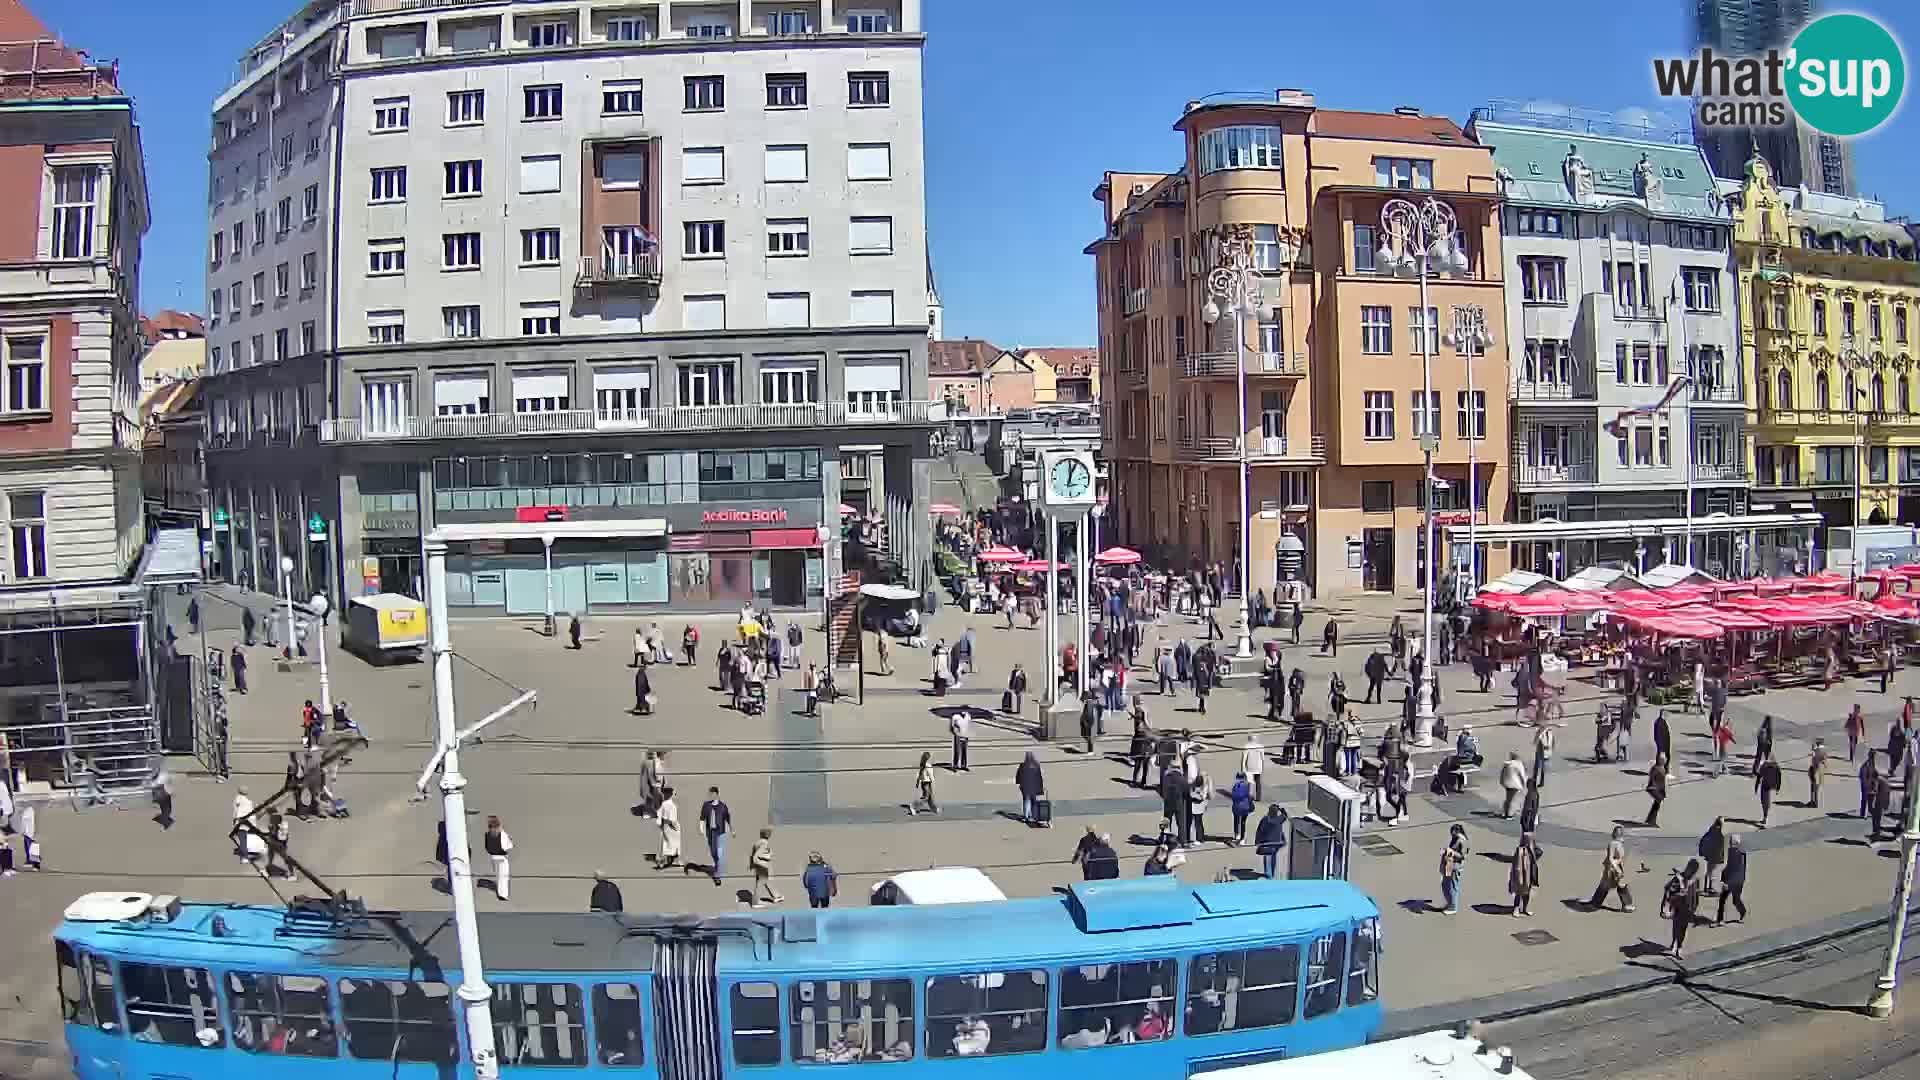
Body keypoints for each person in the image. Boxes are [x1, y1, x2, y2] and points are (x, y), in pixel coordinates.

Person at [1590, 825, 1636, 912]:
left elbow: (1619, 858)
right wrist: (1617, 869)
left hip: (1617, 867)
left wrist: (1620, 867)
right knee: (1608, 885)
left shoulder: (1619, 844)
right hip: (1612, 868)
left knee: (1610, 885)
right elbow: (1611, 858)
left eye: (1620, 832)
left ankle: (1596, 903)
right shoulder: (1613, 844)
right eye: (1618, 832)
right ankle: (1627, 905)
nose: (1619, 833)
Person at [1664, 860, 1703, 960]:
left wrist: (1694, 908)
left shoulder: (1695, 880)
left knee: (1683, 929)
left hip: (1688, 909)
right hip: (1678, 907)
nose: (1690, 871)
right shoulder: (1679, 877)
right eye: (1690, 868)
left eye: (1693, 870)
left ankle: (1679, 947)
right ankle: (1674, 943)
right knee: (1676, 926)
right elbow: (1668, 888)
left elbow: (1696, 894)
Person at [698, 787, 732, 885]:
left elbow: (727, 818)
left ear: (717, 794)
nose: (711, 796)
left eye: (713, 794)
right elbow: (702, 817)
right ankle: (717, 865)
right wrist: (701, 828)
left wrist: (730, 829)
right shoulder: (706, 805)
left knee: (719, 853)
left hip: (720, 832)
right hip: (710, 832)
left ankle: (717, 875)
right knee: (713, 852)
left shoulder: (723, 806)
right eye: (710, 794)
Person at [1715, 834, 1749, 925]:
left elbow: (1737, 871)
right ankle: (1720, 920)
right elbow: (1729, 867)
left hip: (1735, 882)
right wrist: (1723, 877)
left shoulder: (1738, 854)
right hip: (1734, 881)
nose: (1729, 843)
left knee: (1729, 900)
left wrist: (1727, 883)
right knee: (1729, 899)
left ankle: (1741, 912)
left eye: (1731, 842)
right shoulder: (1734, 852)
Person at [749, 827, 784, 907]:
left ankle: (776, 896)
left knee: (764, 881)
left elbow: (753, 855)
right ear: (768, 835)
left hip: (758, 867)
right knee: (760, 883)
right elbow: (756, 857)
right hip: (762, 866)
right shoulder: (765, 843)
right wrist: (764, 861)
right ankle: (756, 902)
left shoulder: (757, 842)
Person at [1508, 832, 1540, 917]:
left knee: (1527, 893)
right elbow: (1516, 865)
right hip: (1521, 875)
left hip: (1530, 874)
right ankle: (1516, 908)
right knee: (1519, 892)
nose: (1531, 842)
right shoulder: (1520, 850)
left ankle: (1524, 909)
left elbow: (1536, 859)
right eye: (1529, 840)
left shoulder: (1532, 851)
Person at [1254, 805, 1288, 879]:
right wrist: (1281, 809)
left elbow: (1259, 831)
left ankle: (1268, 874)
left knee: (1267, 858)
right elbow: (1285, 815)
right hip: (1276, 843)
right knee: (1273, 858)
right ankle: (1271, 873)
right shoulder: (1279, 819)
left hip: (1266, 843)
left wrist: (1257, 841)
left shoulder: (1265, 820)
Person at [483, 815, 513, 901]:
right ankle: (503, 895)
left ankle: (500, 892)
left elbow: (487, 847)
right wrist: (510, 841)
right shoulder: (502, 834)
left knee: (498, 875)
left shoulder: (488, 834)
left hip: (493, 857)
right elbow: (507, 846)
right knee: (503, 876)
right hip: (502, 857)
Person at [1698, 817, 1728, 896]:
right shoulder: (1718, 834)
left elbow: (1702, 842)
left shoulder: (1711, 832)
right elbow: (1720, 847)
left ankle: (1707, 888)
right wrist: (1720, 858)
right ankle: (1707, 888)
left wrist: (1702, 853)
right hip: (1714, 857)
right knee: (1710, 873)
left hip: (1711, 856)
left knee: (1709, 873)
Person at [1016, 752, 1046, 824]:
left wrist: (1018, 782)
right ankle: (1033, 816)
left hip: (1025, 786)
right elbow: (1039, 777)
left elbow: (1018, 775)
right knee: (1033, 801)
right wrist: (1041, 787)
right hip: (1034, 786)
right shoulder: (1036, 765)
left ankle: (1026, 817)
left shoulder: (1023, 765)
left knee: (1026, 800)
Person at [656, 787, 682, 870]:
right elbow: (668, 819)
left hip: (668, 825)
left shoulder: (666, 804)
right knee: (668, 844)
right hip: (670, 825)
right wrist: (674, 826)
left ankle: (668, 861)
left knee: (669, 844)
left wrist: (660, 825)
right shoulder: (668, 805)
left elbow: (659, 817)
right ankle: (662, 862)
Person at [1755, 753, 1782, 828]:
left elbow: (1759, 776)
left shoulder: (1765, 766)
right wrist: (1778, 788)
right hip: (1770, 785)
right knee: (1765, 801)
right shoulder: (1776, 767)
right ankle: (1765, 815)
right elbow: (1779, 777)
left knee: (1764, 801)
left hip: (1766, 785)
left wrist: (1756, 787)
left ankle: (1765, 816)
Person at [1229, 772, 1255, 845]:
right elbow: (1251, 796)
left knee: (1236, 821)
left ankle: (1237, 835)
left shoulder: (1235, 786)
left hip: (1236, 807)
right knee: (1243, 822)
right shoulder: (1247, 785)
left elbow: (1233, 797)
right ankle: (1242, 838)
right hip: (1245, 807)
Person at [1499, 751, 1527, 818]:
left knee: (1508, 798)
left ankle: (1505, 812)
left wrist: (1502, 781)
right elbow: (1522, 775)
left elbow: (1502, 773)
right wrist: (1524, 784)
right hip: (1515, 784)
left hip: (1506, 784)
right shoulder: (1519, 764)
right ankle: (1509, 815)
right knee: (1512, 800)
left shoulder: (1507, 763)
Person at [1188, 765, 1211, 845]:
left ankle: (1199, 838)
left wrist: (1193, 796)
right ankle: (1200, 838)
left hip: (1196, 808)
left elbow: (1199, 798)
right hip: (1199, 808)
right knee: (1199, 823)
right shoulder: (1204, 787)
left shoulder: (1198, 788)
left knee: (1197, 824)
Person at [909, 751, 938, 816]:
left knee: (930, 797)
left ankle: (934, 808)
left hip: (923, 783)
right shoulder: (928, 766)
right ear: (929, 758)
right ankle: (914, 806)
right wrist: (933, 783)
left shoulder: (922, 764)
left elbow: (919, 774)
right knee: (926, 798)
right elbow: (931, 776)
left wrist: (917, 782)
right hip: (927, 783)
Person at [1239, 734, 1266, 801]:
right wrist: (1262, 767)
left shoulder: (1246, 746)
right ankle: (1258, 797)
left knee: (1250, 783)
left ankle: (1249, 797)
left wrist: (1243, 768)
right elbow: (1263, 758)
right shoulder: (1261, 746)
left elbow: (1244, 759)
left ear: (1249, 739)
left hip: (1249, 767)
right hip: (1258, 767)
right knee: (1258, 783)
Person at [1646, 752, 1669, 827]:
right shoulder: (1656, 768)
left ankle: (1650, 820)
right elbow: (1652, 778)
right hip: (1653, 788)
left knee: (1657, 804)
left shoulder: (1663, 768)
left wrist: (1663, 792)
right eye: (1663, 759)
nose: (1665, 760)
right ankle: (1651, 820)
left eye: (1665, 759)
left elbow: (1662, 782)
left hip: (1658, 789)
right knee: (1657, 803)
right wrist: (1653, 787)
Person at [1533, 723, 1556, 790]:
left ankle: (1539, 782)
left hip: (1544, 753)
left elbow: (1553, 742)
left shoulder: (1549, 733)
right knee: (1538, 768)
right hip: (1542, 753)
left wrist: (1551, 750)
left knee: (1540, 768)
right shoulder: (1541, 732)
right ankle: (1537, 782)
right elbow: (1535, 742)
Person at [1809, 738, 1830, 809]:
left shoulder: (1819, 751)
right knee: (1816, 787)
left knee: (1815, 787)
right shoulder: (1820, 750)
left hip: (1816, 770)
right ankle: (1814, 802)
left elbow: (1821, 759)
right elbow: (1825, 762)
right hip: (1818, 770)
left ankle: (1815, 803)